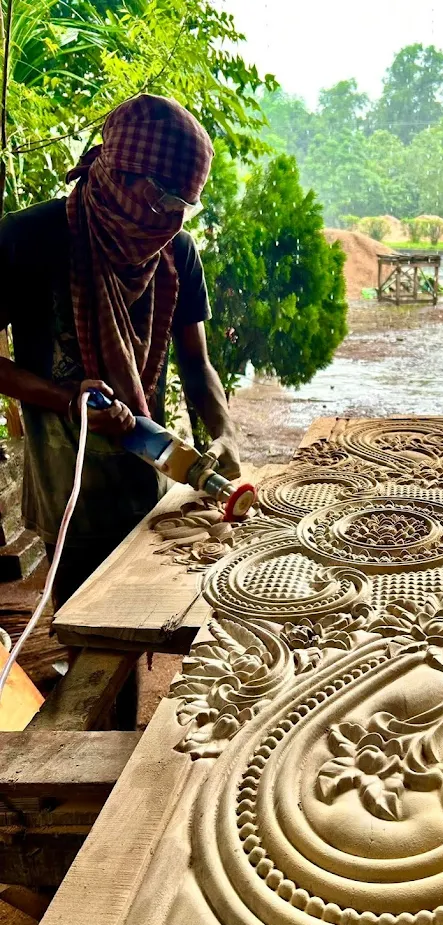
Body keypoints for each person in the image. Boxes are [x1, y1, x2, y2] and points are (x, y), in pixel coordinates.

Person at [0, 93, 240, 608]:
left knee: (145, 616)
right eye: (162, 203)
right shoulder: (29, 239)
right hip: (68, 491)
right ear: (120, 173)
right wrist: (67, 399)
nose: (169, 223)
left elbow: (196, 364)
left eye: (182, 208)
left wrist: (224, 432)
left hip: (149, 483)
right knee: (83, 621)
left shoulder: (175, 253)